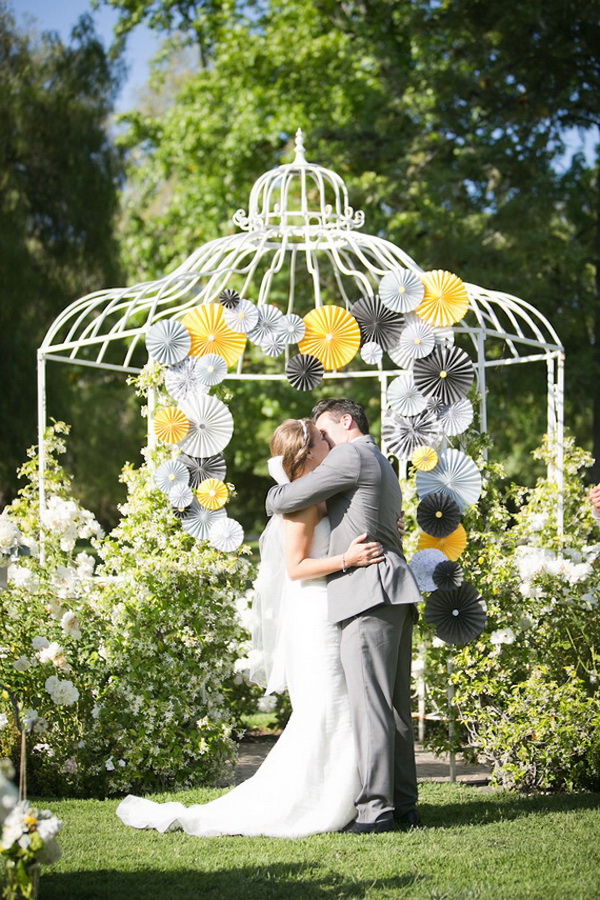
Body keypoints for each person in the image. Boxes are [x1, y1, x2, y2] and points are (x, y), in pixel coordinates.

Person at [116, 418, 383, 838]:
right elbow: (297, 568)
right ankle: (320, 800)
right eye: (320, 438)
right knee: (328, 707)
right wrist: (348, 559)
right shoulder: (299, 503)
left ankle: (344, 794)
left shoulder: (321, 494)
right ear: (308, 453)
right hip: (315, 616)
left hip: (329, 610)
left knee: (338, 707)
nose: (328, 442)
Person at [266, 399, 422, 834]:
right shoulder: (380, 458)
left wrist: (274, 487)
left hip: (368, 593)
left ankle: (376, 811)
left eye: (325, 432)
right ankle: (405, 805)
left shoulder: (351, 454)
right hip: (392, 590)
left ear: (345, 422)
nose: (324, 441)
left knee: (371, 705)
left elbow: (288, 498)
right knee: (392, 707)